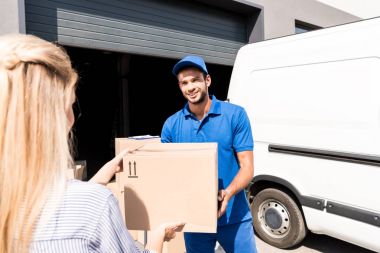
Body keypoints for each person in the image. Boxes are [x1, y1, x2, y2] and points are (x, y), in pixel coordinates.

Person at [0, 34, 183, 253]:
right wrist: (158, 235)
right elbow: (79, 210)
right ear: (56, 119)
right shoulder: (95, 207)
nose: (73, 117)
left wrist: (106, 171)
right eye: (71, 106)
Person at [161, 55, 258, 253]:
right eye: (184, 83)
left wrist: (228, 193)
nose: (190, 87)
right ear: (180, 87)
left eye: (195, 80)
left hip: (234, 216)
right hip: (195, 218)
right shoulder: (171, 125)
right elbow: (169, 174)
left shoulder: (235, 115)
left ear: (207, 80)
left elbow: (247, 167)